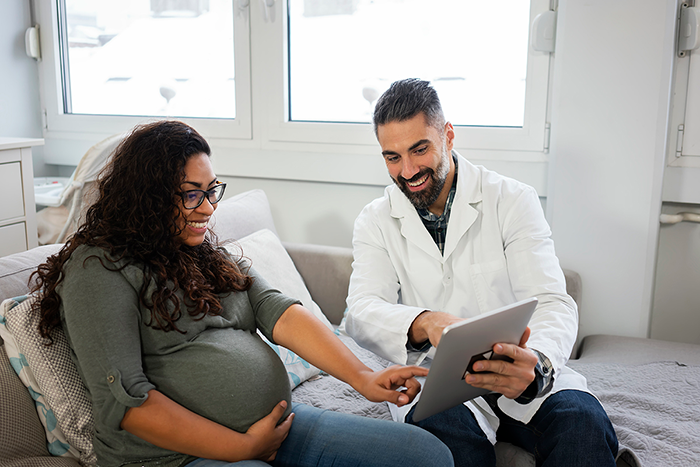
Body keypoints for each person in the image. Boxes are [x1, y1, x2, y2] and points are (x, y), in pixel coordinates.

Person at [31, 120, 454, 467]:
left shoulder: (201, 252)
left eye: (211, 190)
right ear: (147, 198)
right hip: (174, 458)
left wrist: (363, 377)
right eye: (191, 195)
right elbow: (126, 401)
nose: (209, 208)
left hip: (276, 427)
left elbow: (279, 312)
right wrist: (241, 448)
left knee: (427, 456)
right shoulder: (98, 269)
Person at [341, 79, 619, 467]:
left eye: (420, 149)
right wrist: (427, 322)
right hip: (438, 382)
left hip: (520, 369)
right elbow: (361, 310)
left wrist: (537, 364)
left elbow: (552, 300)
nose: (408, 170)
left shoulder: (511, 199)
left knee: (584, 426)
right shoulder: (375, 221)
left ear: (448, 136)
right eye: (392, 157)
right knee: (446, 446)